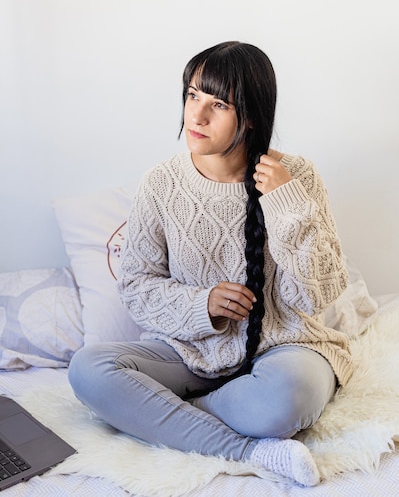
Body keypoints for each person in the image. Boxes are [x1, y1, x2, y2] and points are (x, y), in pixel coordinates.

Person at [69, 41, 353, 487]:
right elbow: (138, 287)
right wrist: (204, 305)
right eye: (193, 95)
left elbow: (316, 293)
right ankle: (248, 450)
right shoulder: (160, 183)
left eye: (218, 104)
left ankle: (171, 416)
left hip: (283, 346)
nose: (196, 116)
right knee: (88, 369)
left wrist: (284, 200)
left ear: (253, 115)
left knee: (288, 398)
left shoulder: (297, 176)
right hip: (188, 350)